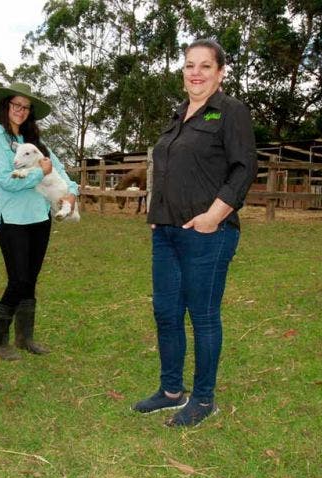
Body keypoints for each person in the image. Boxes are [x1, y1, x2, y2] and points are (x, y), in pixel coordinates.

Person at [132, 39, 257, 427]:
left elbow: (244, 168)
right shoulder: (179, 114)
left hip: (208, 234)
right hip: (167, 232)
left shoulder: (231, 112)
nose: (196, 73)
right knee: (166, 311)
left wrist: (214, 215)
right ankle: (171, 391)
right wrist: (157, 211)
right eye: (189, 65)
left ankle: (203, 399)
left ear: (220, 73)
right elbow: (167, 167)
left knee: (202, 315)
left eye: (205, 66)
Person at [0, 82, 79, 360]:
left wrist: (71, 192)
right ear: (5, 106)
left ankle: (25, 338)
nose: (20, 111)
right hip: (13, 220)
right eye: (16, 105)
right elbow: (5, 180)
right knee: (19, 278)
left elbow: (57, 168)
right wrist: (40, 172)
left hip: (40, 218)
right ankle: (0, 341)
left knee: (30, 278)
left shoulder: (35, 142)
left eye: (25, 107)